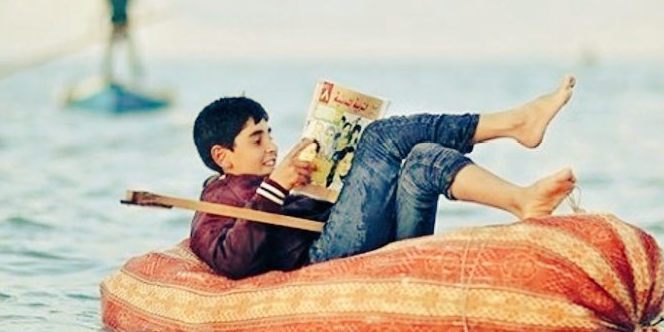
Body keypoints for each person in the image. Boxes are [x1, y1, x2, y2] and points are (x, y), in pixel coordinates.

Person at [189, 76, 578, 279]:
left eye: (270, 133)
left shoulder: (274, 179)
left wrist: (329, 179)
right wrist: (277, 187)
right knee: (379, 137)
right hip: (320, 258)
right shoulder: (216, 201)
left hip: (360, 235)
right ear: (222, 156)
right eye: (257, 139)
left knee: (424, 159)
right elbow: (231, 260)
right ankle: (514, 122)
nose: (271, 146)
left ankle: (521, 201)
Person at [102, 0, 143, 83]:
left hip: (125, 26)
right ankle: (107, 75)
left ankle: (137, 77)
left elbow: (138, 1)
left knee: (131, 52)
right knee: (109, 53)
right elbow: (103, 11)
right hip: (114, 27)